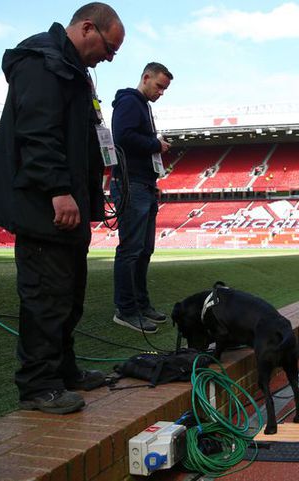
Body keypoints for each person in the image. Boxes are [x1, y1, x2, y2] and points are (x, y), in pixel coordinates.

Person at [0, 3, 125, 414]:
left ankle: (63, 370)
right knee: (46, 297)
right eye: (109, 47)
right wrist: (59, 190)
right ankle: (37, 384)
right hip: (43, 206)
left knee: (68, 296)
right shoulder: (41, 60)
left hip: (69, 207)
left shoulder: (71, 68)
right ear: (87, 28)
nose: (110, 58)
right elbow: (38, 133)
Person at [111, 62, 173, 333]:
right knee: (131, 249)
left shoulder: (142, 106)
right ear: (146, 77)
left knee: (144, 250)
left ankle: (140, 303)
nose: (161, 92)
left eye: (165, 89)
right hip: (131, 183)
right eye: (159, 86)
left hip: (143, 184)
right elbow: (121, 137)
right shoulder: (129, 102)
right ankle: (125, 310)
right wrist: (155, 145)